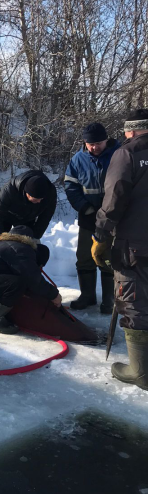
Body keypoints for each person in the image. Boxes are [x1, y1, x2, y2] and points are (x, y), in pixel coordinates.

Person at [92, 108, 148, 390]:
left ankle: (140, 371)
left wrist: (101, 234)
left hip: (135, 245)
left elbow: (114, 197)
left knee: (133, 300)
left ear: (132, 131)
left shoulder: (128, 154)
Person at [64, 122, 120, 314]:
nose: (94, 147)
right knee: (85, 257)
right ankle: (87, 296)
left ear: (106, 140)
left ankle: (109, 300)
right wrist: (84, 207)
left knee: (107, 258)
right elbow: (70, 186)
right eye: (90, 144)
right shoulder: (78, 159)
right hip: (88, 217)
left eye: (98, 143)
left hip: (112, 218)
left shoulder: (119, 155)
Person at [0, 170, 57, 243]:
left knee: (26, 242)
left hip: (27, 215)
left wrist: (35, 237)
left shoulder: (50, 193)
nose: (39, 202)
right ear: (27, 193)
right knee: (2, 241)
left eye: (41, 199)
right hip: (5, 213)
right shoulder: (9, 190)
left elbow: (46, 217)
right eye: (35, 199)